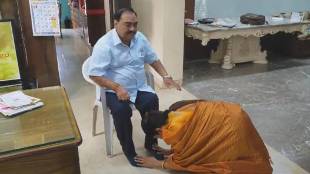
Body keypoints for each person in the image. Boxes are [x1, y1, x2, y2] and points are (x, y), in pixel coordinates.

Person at [87, 7, 181, 167]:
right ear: (115, 23)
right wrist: (116, 87)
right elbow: (94, 74)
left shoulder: (140, 38)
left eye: (135, 24)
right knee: (121, 111)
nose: (133, 29)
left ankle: (150, 143)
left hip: (138, 87)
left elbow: (153, 59)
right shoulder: (104, 45)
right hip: (112, 90)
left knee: (152, 101)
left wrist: (166, 76)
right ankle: (129, 151)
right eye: (128, 24)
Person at [135, 100, 273, 173]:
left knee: (220, 157)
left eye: (158, 137)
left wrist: (159, 163)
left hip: (232, 131)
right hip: (235, 114)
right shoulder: (179, 110)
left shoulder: (173, 131)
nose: (162, 139)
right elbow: (194, 136)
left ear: (158, 130)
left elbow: (183, 161)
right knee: (248, 150)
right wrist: (171, 151)